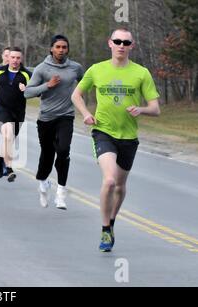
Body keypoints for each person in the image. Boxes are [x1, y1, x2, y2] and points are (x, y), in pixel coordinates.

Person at [71, 28, 161, 252]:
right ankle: (104, 229)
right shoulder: (97, 69)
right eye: (117, 41)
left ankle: (111, 223)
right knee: (109, 180)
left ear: (132, 46)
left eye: (126, 42)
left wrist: (141, 109)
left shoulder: (141, 73)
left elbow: (155, 108)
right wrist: (86, 114)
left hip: (129, 137)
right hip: (103, 132)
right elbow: (76, 94)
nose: (121, 45)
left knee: (120, 185)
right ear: (109, 43)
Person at [25, 35, 84, 210]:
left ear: (68, 49)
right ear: (51, 49)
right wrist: (47, 86)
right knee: (48, 153)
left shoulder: (75, 68)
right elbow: (27, 93)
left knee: (64, 150)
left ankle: (61, 193)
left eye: (64, 47)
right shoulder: (42, 69)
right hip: (46, 118)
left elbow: (86, 82)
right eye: (58, 47)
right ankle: (43, 183)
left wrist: (81, 96)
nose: (61, 50)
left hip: (66, 116)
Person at [0, 47, 32, 183]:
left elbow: (36, 91)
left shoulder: (27, 74)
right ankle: (9, 168)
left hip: (18, 112)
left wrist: (27, 89)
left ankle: (0, 158)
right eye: (13, 57)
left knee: (9, 139)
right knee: (8, 134)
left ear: (21, 59)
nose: (15, 60)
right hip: (2, 109)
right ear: (8, 58)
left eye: (18, 58)